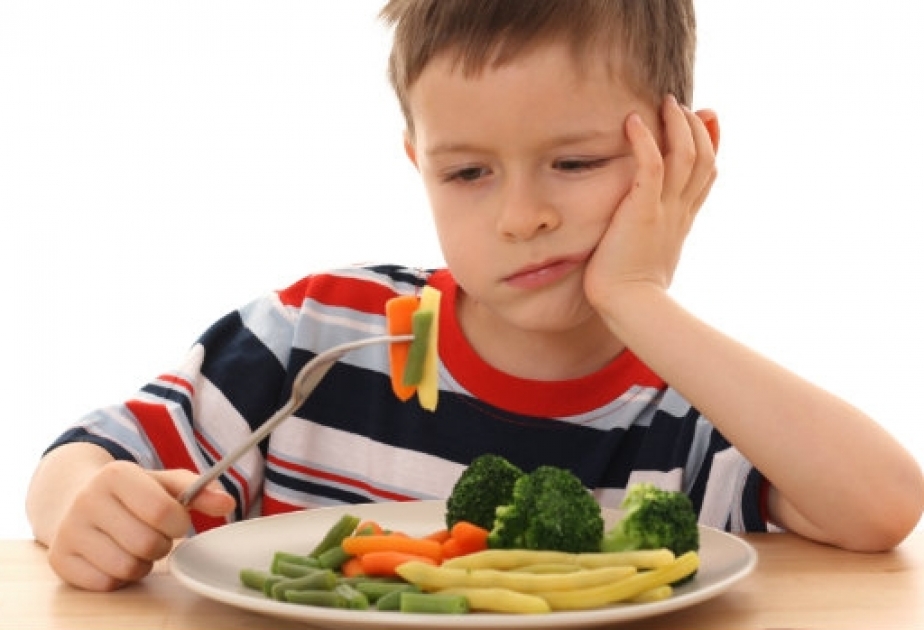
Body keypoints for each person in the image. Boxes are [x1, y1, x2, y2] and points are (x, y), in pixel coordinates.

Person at [26, 0, 924, 592]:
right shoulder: (314, 333)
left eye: (575, 162)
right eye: (468, 173)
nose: (522, 217)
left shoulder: (695, 410)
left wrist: (637, 294)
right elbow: (84, 458)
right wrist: (85, 508)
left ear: (682, 151)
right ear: (419, 161)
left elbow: (881, 506)